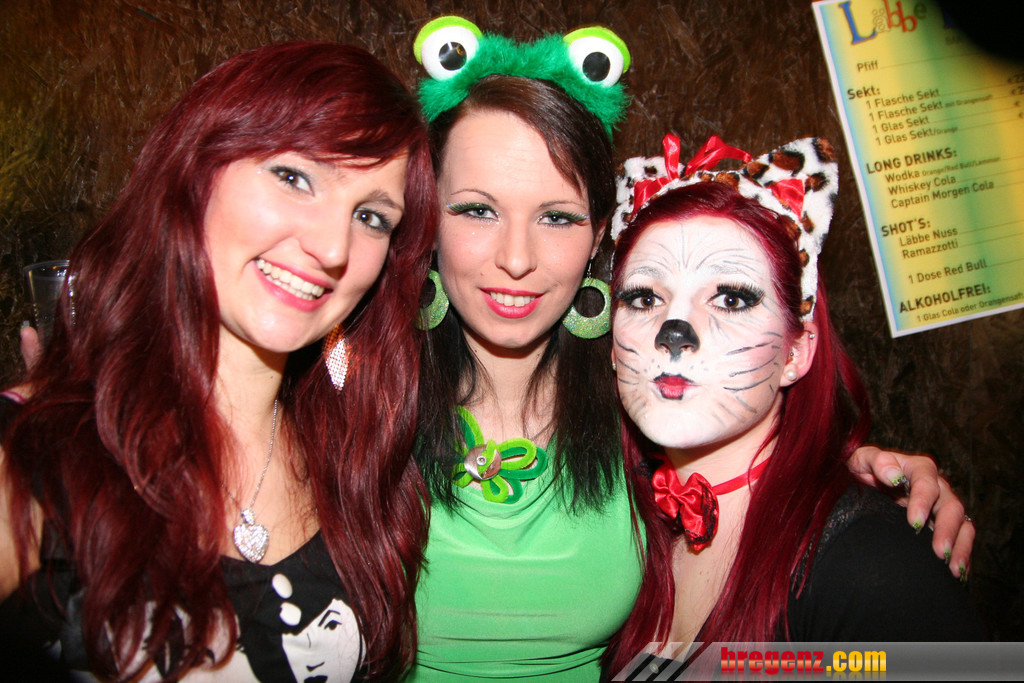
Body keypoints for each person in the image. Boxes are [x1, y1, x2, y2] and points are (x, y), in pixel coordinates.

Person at [406, 18, 974, 680]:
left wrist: (847, 486)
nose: (515, 258)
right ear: (426, 215)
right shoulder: (357, 392)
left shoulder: (630, 412)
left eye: (557, 216)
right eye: (477, 209)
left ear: (597, 238)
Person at [0, 42, 435, 680]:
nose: (332, 247)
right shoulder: (38, 453)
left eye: (371, 216)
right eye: (295, 177)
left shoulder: (351, 456)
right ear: (196, 171)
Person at [605, 136, 986, 676]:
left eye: (731, 298)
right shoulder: (616, 537)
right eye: (644, 298)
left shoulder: (866, 566)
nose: (674, 333)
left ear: (797, 352)